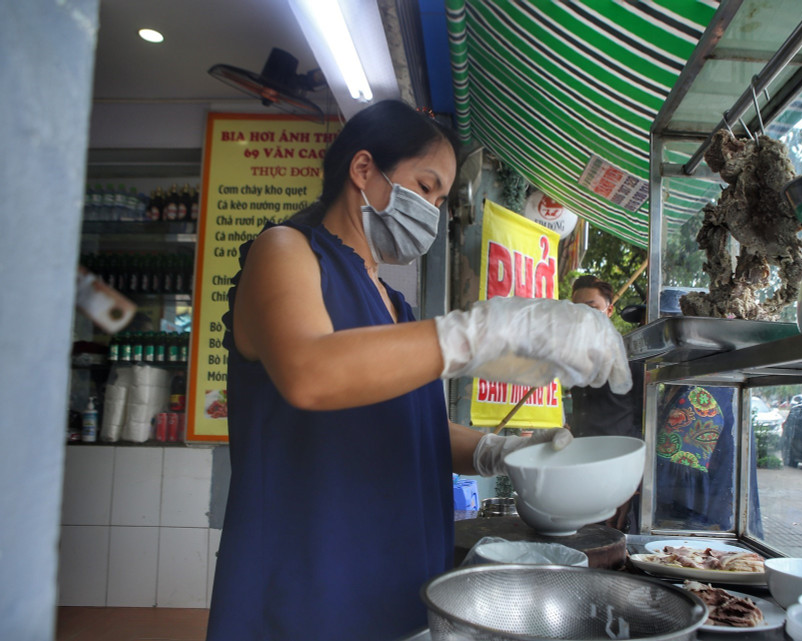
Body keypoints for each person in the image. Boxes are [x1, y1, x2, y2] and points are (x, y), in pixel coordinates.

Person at [204, 100, 631, 641]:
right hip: (307, 573)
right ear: (363, 170)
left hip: (398, 573)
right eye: (426, 187)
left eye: (442, 198)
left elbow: (410, 424)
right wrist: (480, 331)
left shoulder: (398, 310)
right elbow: (309, 372)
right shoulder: (285, 252)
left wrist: (496, 452)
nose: (433, 209)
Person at [567, 275, 643, 533]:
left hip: (618, 469)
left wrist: (632, 483)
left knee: (611, 541)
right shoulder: (576, 357)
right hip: (582, 468)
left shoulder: (631, 356)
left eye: (593, 308)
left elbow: (644, 419)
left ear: (609, 310)